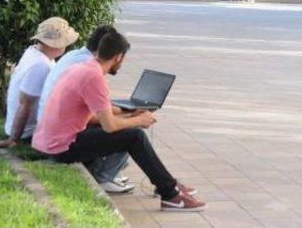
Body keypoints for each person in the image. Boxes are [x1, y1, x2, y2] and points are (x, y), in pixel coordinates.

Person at [32, 31, 206, 212]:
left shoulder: (82, 67)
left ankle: (169, 185)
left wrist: (128, 113)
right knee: (135, 136)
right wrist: (138, 120)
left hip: (48, 142)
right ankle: (170, 195)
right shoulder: (94, 77)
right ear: (118, 57)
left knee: (128, 130)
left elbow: (97, 111)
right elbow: (110, 126)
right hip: (62, 149)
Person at [38, 25, 133, 194]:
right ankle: (104, 177)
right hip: (60, 141)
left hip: (47, 133)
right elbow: (93, 118)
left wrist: (124, 112)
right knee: (131, 132)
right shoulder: (89, 70)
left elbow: (91, 106)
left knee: (124, 127)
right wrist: (132, 119)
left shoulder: (76, 57)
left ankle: (106, 173)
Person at [0, 17, 78, 148]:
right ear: (55, 44)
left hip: (22, 127)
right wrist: (13, 139)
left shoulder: (33, 51)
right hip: (27, 133)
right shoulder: (41, 66)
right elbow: (25, 104)